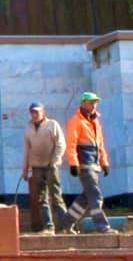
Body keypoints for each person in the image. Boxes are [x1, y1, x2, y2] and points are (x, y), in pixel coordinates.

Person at [21, 102, 69, 234]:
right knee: (41, 198)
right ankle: (49, 227)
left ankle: (66, 225)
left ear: (43, 112)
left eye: (37, 111)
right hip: (36, 167)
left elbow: (61, 144)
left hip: (50, 165)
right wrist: (25, 168)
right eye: (32, 112)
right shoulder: (28, 128)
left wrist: (56, 160)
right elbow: (26, 149)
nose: (34, 114)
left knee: (56, 195)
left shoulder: (52, 125)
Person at [65, 92, 110, 226]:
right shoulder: (76, 121)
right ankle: (102, 226)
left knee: (85, 198)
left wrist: (104, 162)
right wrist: (73, 164)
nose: (94, 105)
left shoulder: (95, 122)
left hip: (94, 165)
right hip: (84, 165)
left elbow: (100, 144)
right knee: (96, 196)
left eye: (95, 102)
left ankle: (66, 224)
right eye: (91, 102)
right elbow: (71, 143)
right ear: (83, 103)